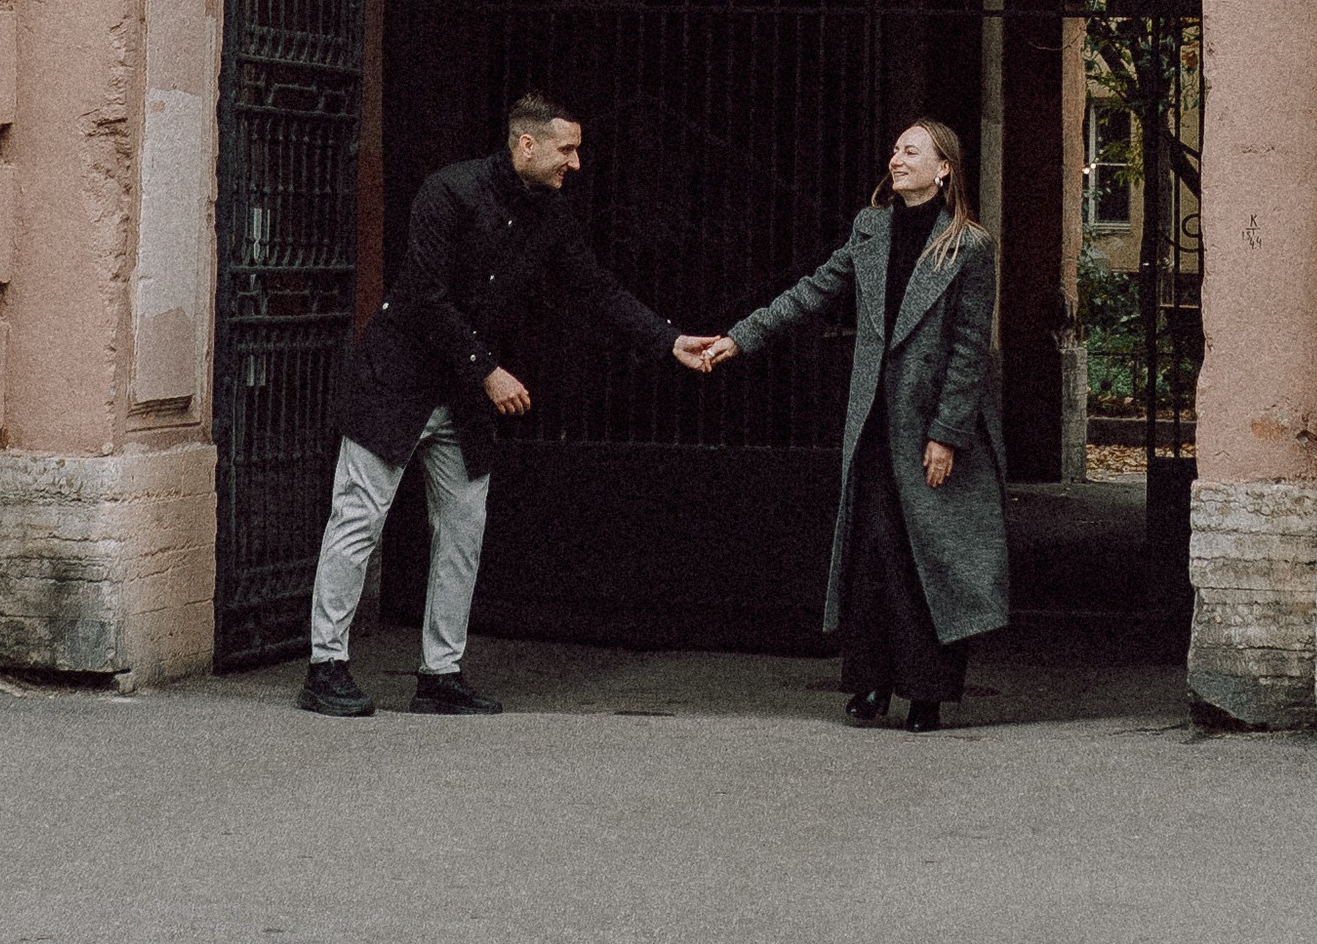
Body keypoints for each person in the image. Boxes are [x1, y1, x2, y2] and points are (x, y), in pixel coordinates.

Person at [300, 91, 730, 717]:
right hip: (397, 380)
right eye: (568, 149)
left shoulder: (550, 215)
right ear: (527, 144)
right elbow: (424, 293)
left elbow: (596, 288)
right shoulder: (447, 192)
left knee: (463, 534)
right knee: (358, 519)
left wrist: (668, 342)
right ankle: (325, 666)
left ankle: (439, 675)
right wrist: (489, 371)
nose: (576, 163)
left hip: (463, 397)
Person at [705, 116, 1009, 731]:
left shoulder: (967, 245)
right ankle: (869, 685)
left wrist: (947, 434)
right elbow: (811, 292)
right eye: (896, 150)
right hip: (875, 424)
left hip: (931, 429)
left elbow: (971, 349)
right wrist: (740, 339)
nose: (897, 160)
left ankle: (926, 693)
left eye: (912, 152)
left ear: (944, 168)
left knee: (930, 557)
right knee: (873, 556)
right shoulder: (871, 229)